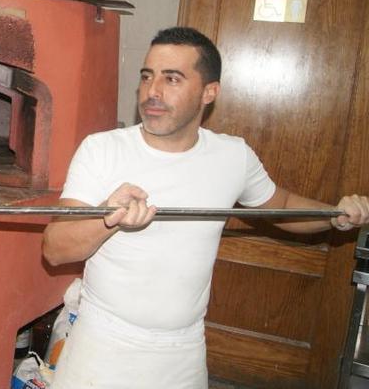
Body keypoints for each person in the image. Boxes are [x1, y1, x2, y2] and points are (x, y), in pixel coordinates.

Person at [42, 26, 369, 389]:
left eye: (172, 79)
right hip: (102, 345)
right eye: (147, 76)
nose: (152, 92)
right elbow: (54, 249)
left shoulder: (232, 156)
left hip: (182, 352)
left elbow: (283, 205)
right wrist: (108, 218)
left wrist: (334, 216)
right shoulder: (101, 150)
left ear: (209, 92)